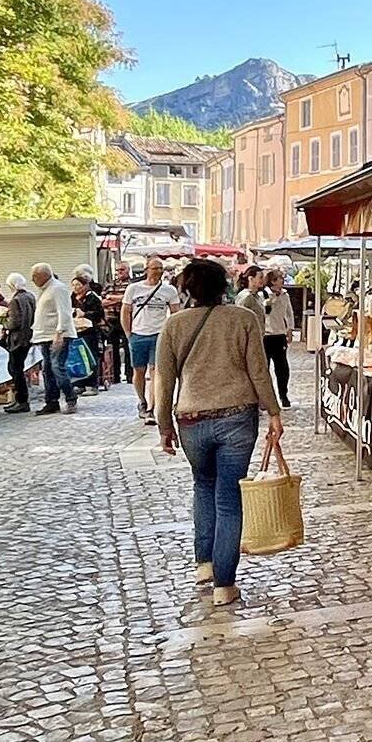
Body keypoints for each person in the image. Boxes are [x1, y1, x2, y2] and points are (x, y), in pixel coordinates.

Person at [154, 258, 285, 608]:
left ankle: (204, 564)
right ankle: (224, 585)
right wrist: (273, 412)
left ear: (187, 289)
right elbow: (259, 371)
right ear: (222, 286)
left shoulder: (174, 325)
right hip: (237, 417)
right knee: (229, 498)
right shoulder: (244, 320)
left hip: (191, 419)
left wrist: (163, 424)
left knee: (203, 486)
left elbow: (163, 380)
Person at [122, 257, 181, 424]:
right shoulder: (133, 289)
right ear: (146, 270)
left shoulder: (169, 290)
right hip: (138, 334)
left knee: (156, 372)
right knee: (138, 371)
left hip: (159, 335)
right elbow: (125, 311)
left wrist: (172, 335)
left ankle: (152, 409)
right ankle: (142, 401)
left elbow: (175, 313)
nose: (158, 272)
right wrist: (128, 333)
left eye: (160, 269)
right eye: (155, 268)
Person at [30, 262, 79, 415]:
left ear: (44, 275)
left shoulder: (58, 288)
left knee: (57, 367)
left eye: (35, 277)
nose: (32, 280)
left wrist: (60, 333)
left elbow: (64, 312)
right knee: (47, 370)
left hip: (57, 335)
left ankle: (71, 397)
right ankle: (51, 401)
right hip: (45, 335)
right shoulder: (44, 290)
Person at [3, 272, 36, 413]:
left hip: (17, 339)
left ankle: (22, 400)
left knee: (15, 369)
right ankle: (20, 399)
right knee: (18, 368)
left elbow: (14, 322)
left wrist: (4, 323)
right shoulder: (30, 296)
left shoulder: (15, 300)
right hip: (28, 336)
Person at [261, 269, 295, 408]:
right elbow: (266, 312)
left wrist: (290, 329)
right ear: (273, 281)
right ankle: (265, 398)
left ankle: (283, 395)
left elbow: (289, 312)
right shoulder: (263, 294)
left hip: (280, 334)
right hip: (266, 335)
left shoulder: (285, 295)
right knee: (264, 368)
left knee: (282, 369)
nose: (282, 280)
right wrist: (273, 298)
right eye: (280, 278)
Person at [71, 276, 107, 395]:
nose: (76, 288)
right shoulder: (72, 297)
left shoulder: (92, 298)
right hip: (77, 331)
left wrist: (85, 314)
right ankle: (79, 383)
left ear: (85, 285)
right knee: (78, 358)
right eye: (74, 285)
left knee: (90, 357)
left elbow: (99, 314)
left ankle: (92, 384)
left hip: (90, 332)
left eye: (78, 285)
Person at [102, 264, 131, 386]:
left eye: (122, 270)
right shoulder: (110, 285)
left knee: (128, 348)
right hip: (111, 321)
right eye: (118, 270)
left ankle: (130, 376)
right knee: (112, 349)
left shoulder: (132, 285)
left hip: (126, 319)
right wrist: (120, 299)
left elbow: (130, 299)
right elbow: (102, 302)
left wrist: (112, 298)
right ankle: (115, 376)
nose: (119, 272)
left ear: (128, 270)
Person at [235, 265, 268, 329]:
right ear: (251, 279)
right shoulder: (246, 296)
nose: (262, 280)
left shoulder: (257, 296)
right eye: (260, 277)